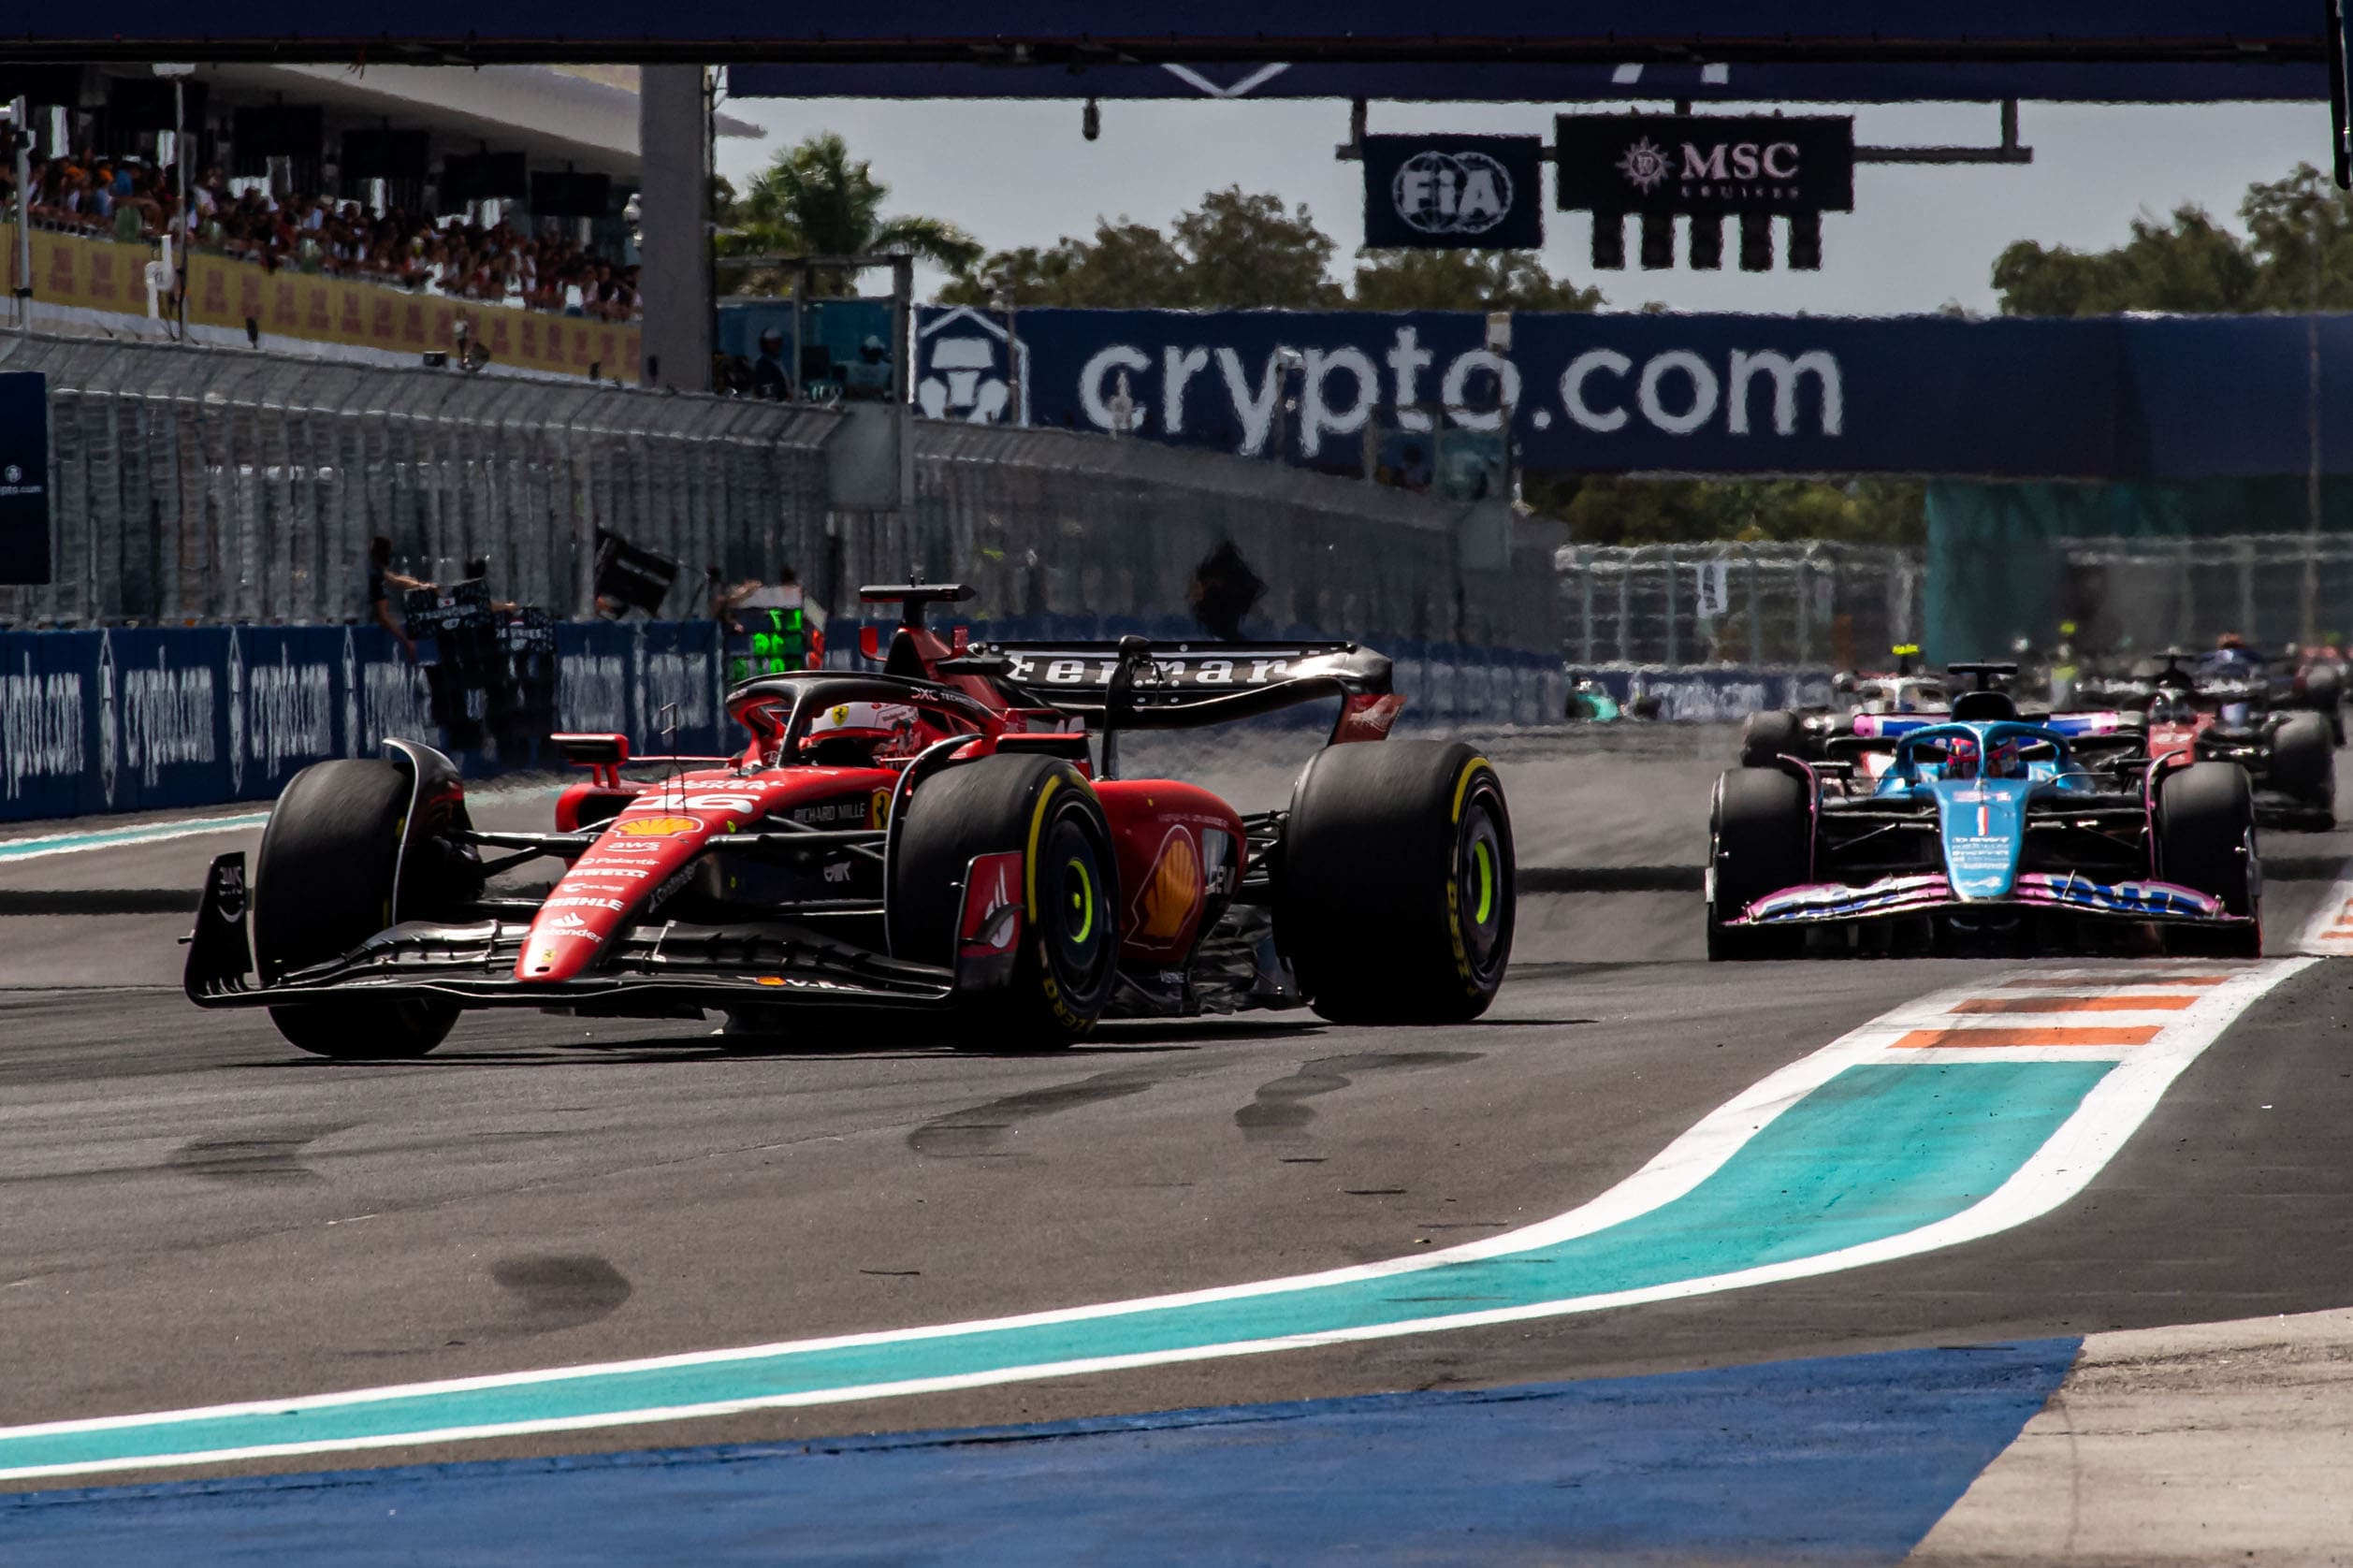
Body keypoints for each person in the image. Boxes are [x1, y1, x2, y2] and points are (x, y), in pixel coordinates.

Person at [366, 536, 428, 661]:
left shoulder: (375, 570)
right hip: (367, 636)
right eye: (390, 552)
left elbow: (395, 580)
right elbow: (383, 617)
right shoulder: (375, 577)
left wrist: (422, 586)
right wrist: (406, 640)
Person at [751, 328, 793, 401]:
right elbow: (767, 391)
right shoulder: (762, 364)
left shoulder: (781, 361)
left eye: (777, 343)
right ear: (765, 344)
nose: (775, 346)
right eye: (772, 343)